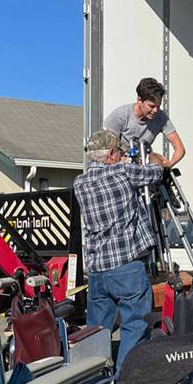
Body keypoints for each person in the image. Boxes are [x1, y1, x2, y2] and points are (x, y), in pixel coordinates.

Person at [74, 130, 165, 369]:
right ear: (112, 154)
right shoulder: (123, 172)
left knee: (96, 334)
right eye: (119, 152)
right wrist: (154, 159)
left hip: (97, 271)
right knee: (134, 328)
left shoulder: (80, 183)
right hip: (126, 267)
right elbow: (155, 173)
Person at [102, 77, 187, 168]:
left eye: (158, 106)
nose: (155, 110)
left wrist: (169, 164)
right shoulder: (121, 115)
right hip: (119, 168)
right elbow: (107, 151)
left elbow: (180, 148)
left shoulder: (161, 117)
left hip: (142, 169)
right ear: (139, 100)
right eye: (151, 106)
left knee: (155, 158)